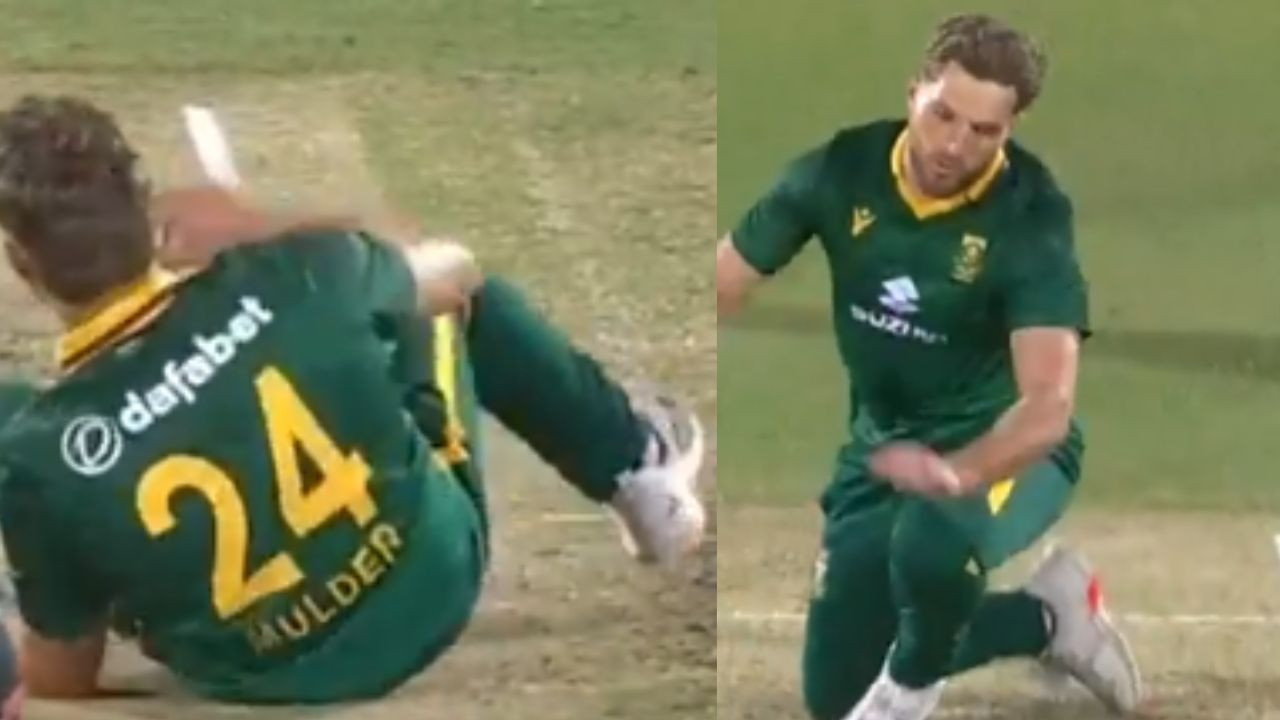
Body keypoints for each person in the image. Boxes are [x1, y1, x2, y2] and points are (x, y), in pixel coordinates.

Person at [0, 93, 705, 704]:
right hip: (428, 585)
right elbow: (448, 269)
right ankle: (634, 467)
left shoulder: (34, 454)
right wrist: (253, 227)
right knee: (443, 295)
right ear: (143, 207)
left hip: (248, 676)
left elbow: (62, 677)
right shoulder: (300, 274)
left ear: (22, 261)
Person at [717, 13, 1141, 720]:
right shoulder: (842, 170)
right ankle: (1047, 618)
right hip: (882, 452)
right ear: (914, 90)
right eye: (943, 115)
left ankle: (908, 696)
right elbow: (723, 282)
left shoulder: (1031, 218)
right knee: (834, 697)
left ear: (1010, 130)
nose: (954, 145)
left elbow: (1047, 408)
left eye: (984, 131)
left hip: (1010, 452)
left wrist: (962, 473)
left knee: (933, 542)